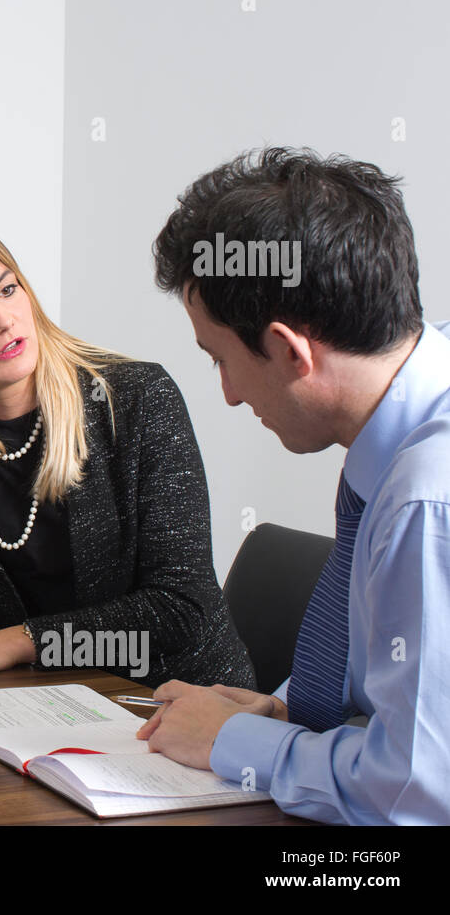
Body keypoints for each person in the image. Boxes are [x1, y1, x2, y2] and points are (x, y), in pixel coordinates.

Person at [141, 147, 450, 824]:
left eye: (220, 359)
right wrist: (281, 711)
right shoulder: (410, 419)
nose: (225, 394)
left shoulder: (428, 497)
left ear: (289, 350)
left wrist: (237, 743)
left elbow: (417, 793)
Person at [0, 218, 253, 688]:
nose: (3, 320)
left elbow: (180, 608)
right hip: (38, 708)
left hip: (178, 705)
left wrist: (16, 640)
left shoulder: (136, 399)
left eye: (8, 290)